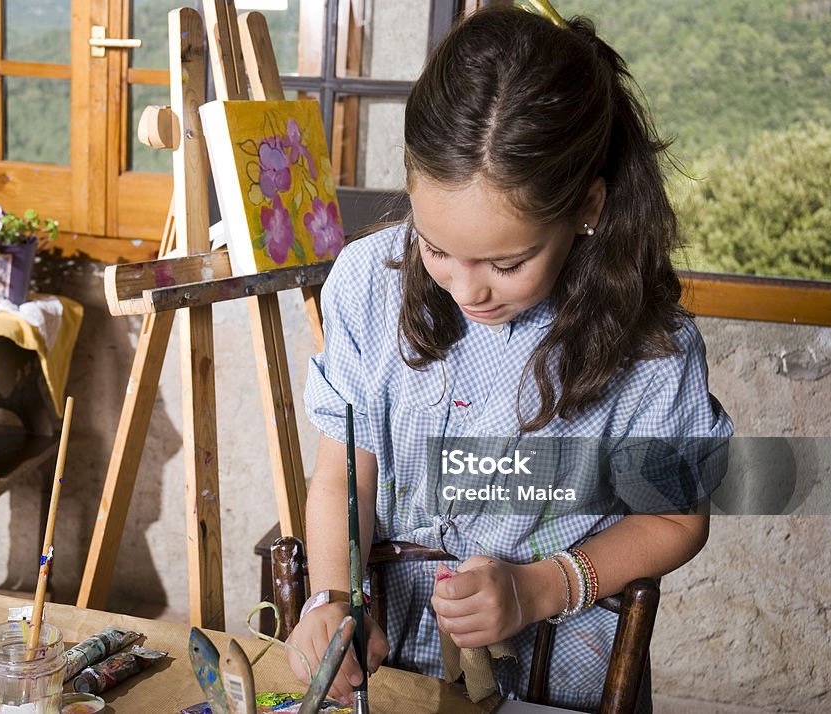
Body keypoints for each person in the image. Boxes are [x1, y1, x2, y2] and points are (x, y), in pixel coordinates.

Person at [287, 3, 733, 712]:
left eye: (508, 261)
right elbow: (346, 473)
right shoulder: (368, 282)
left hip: (561, 673)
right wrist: (334, 596)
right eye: (437, 248)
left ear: (586, 208)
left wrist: (538, 588)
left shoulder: (649, 346)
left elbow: (675, 519)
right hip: (395, 660)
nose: (467, 289)